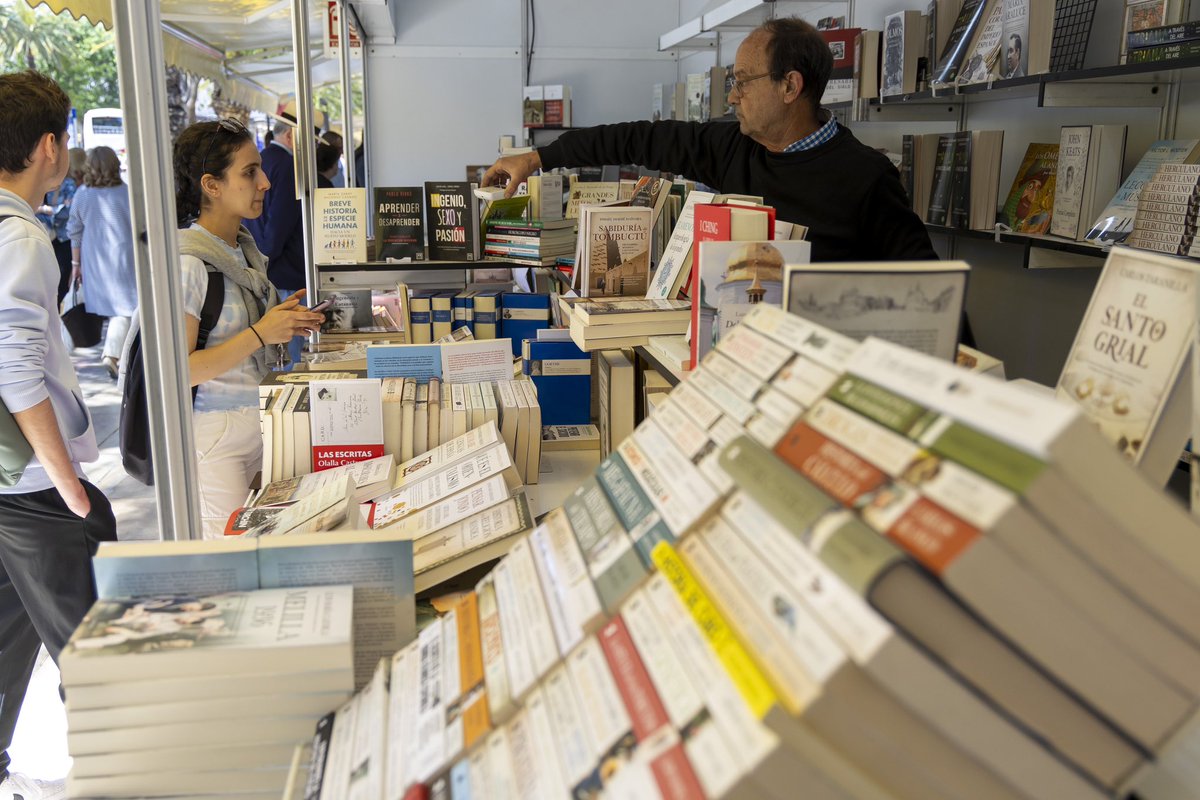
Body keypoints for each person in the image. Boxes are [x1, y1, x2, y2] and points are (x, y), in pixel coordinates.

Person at [484, 18, 936, 263]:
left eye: (743, 82)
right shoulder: (731, 147)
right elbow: (637, 139)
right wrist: (540, 156)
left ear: (789, 86)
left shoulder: (866, 176)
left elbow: (929, 286)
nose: (733, 95)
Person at [0, 69, 118, 800]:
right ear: (50, 146)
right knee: (100, 653)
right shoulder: (22, 238)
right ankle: (127, 775)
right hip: (34, 485)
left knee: (10, 637)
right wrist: (71, 486)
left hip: (7, 483)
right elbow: (16, 373)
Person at [173, 119, 325, 539]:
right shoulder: (189, 263)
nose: (265, 183)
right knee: (231, 558)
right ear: (211, 185)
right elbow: (180, 370)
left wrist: (285, 320)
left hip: (259, 424)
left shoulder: (242, 250)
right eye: (249, 171)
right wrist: (261, 333)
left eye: (259, 169)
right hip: (214, 437)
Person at [244, 110, 315, 364]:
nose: (312, 147)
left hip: (267, 266)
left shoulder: (264, 159)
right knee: (291, 353)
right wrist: (266, 258)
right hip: (284, 270)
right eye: (310, 140)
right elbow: (279, 222)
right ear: (289, 136)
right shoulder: (287, 166)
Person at [67, 146, 137, 379]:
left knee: (116, 309)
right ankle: (113, 354)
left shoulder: (83, 194)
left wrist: (76, 266)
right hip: (123, 259)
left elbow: (74, 231)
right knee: (124, 309)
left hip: (94, 260)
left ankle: (116, 355)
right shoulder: (127, 193)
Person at [35, 146, 84, 305]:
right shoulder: (44, 182)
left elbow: (70, 210)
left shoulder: (65, 183)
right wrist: (55, 209)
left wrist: (48, 210)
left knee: (60, 279)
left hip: (59, 237)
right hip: (53, 237)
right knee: (55, 279)